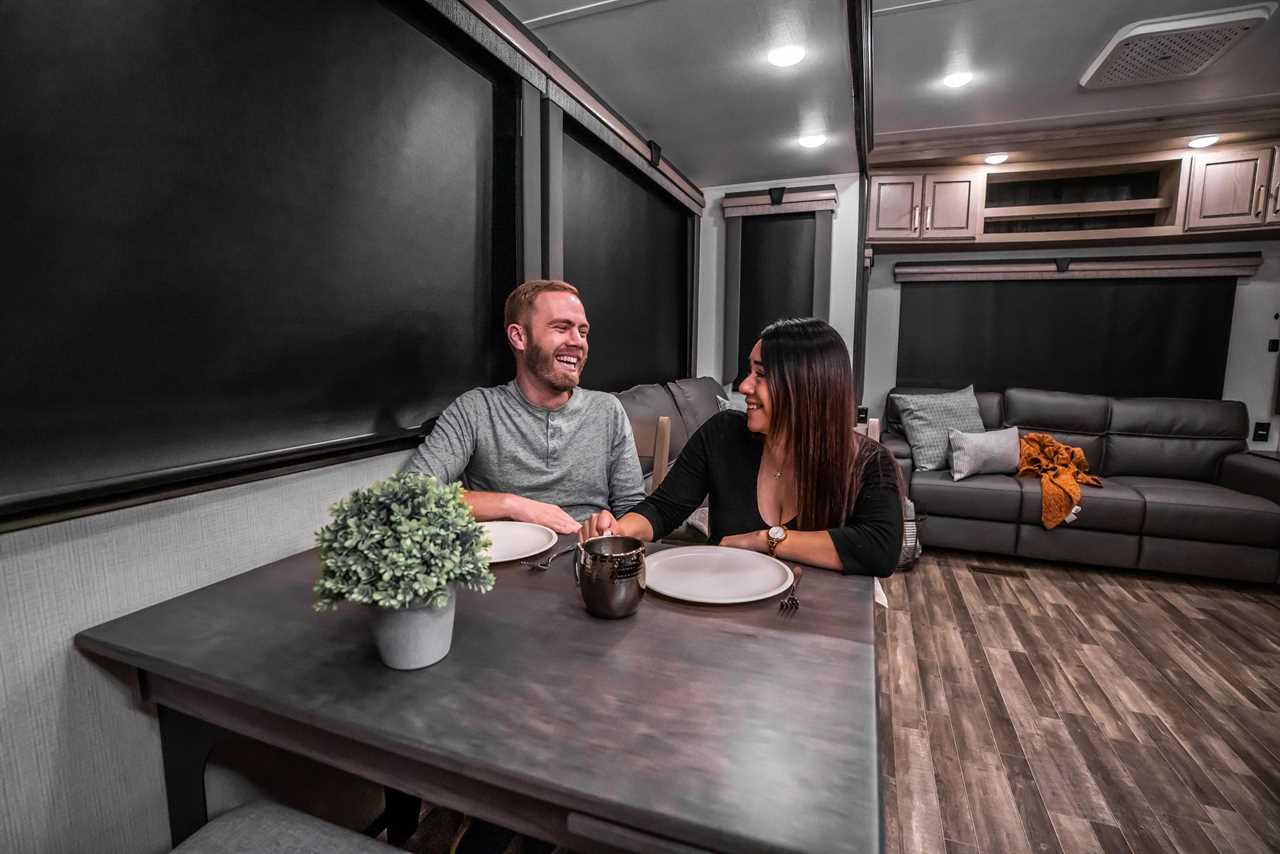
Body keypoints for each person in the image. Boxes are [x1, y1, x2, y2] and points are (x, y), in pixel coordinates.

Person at [580, 317, 903, 576]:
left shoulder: (869, 463)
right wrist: (619, 531)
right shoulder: (724, 434)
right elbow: (664, 508)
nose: (744, 386)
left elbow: (879, 550)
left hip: (818, 627)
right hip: (728, 605)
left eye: (760, 375)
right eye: (750, 371)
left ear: (804, 388)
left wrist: (763, 540)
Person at [410, 279, 646, 532]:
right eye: (561, 327)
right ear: (519, 337)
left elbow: (632, 507)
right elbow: (413, 494)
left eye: (583, 331)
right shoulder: (476, 409)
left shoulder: (606, 410)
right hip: (508, 563)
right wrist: (513, 505)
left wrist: (616, 528)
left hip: (586, 558)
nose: (578, 341)